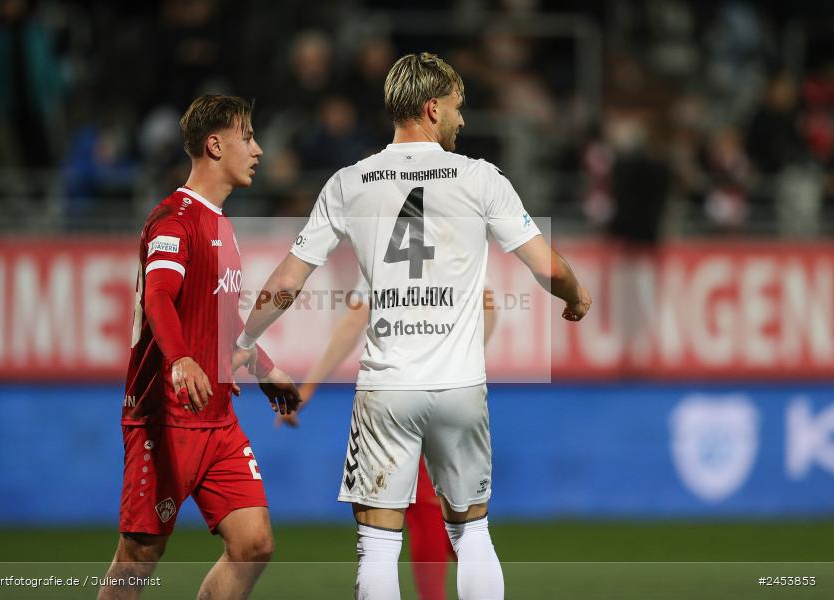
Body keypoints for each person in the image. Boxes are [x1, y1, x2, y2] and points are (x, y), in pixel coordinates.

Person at [232, 53, 591, 599]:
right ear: (431, 109)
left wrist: (246, 339)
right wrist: (577, 294)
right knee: (471, 533)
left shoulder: (351, 182)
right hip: (460, 387)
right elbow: (546, 267)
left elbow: (288, 279)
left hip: (387, 387)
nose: (462, 121)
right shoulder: (479, 177)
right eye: (456, 108)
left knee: (378, 546)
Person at [98, 94, 301, 600]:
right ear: (214, 145)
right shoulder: (173, 219)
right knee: (141, 553)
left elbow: (223, 320)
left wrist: (265, 368)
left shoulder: (222, 226)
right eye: (247, 137)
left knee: (253, 544)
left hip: (218, 419)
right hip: (164, 416)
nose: (257, 149)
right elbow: (160, 297)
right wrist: (181, 357)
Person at [278, 283, 496, 600]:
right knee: (463, 522)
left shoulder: (383, 249)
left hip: (398, 396)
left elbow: (355, 321)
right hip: (455, 394)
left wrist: (308, 388)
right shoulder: (459, 244)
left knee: (406, 519)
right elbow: (488, 306)